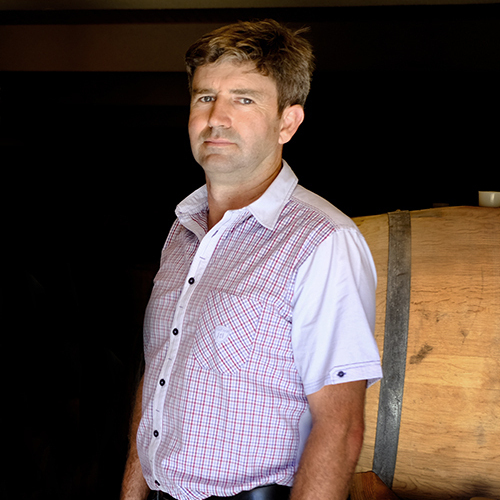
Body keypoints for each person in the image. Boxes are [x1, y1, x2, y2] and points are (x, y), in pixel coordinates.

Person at [120, 19, 382, 500]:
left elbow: (340, 427)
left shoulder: (323, 240)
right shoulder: (182, 230)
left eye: (244, 99)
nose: (216, 118)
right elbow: (158, 377)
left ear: (288, 123)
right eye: (205, 97)